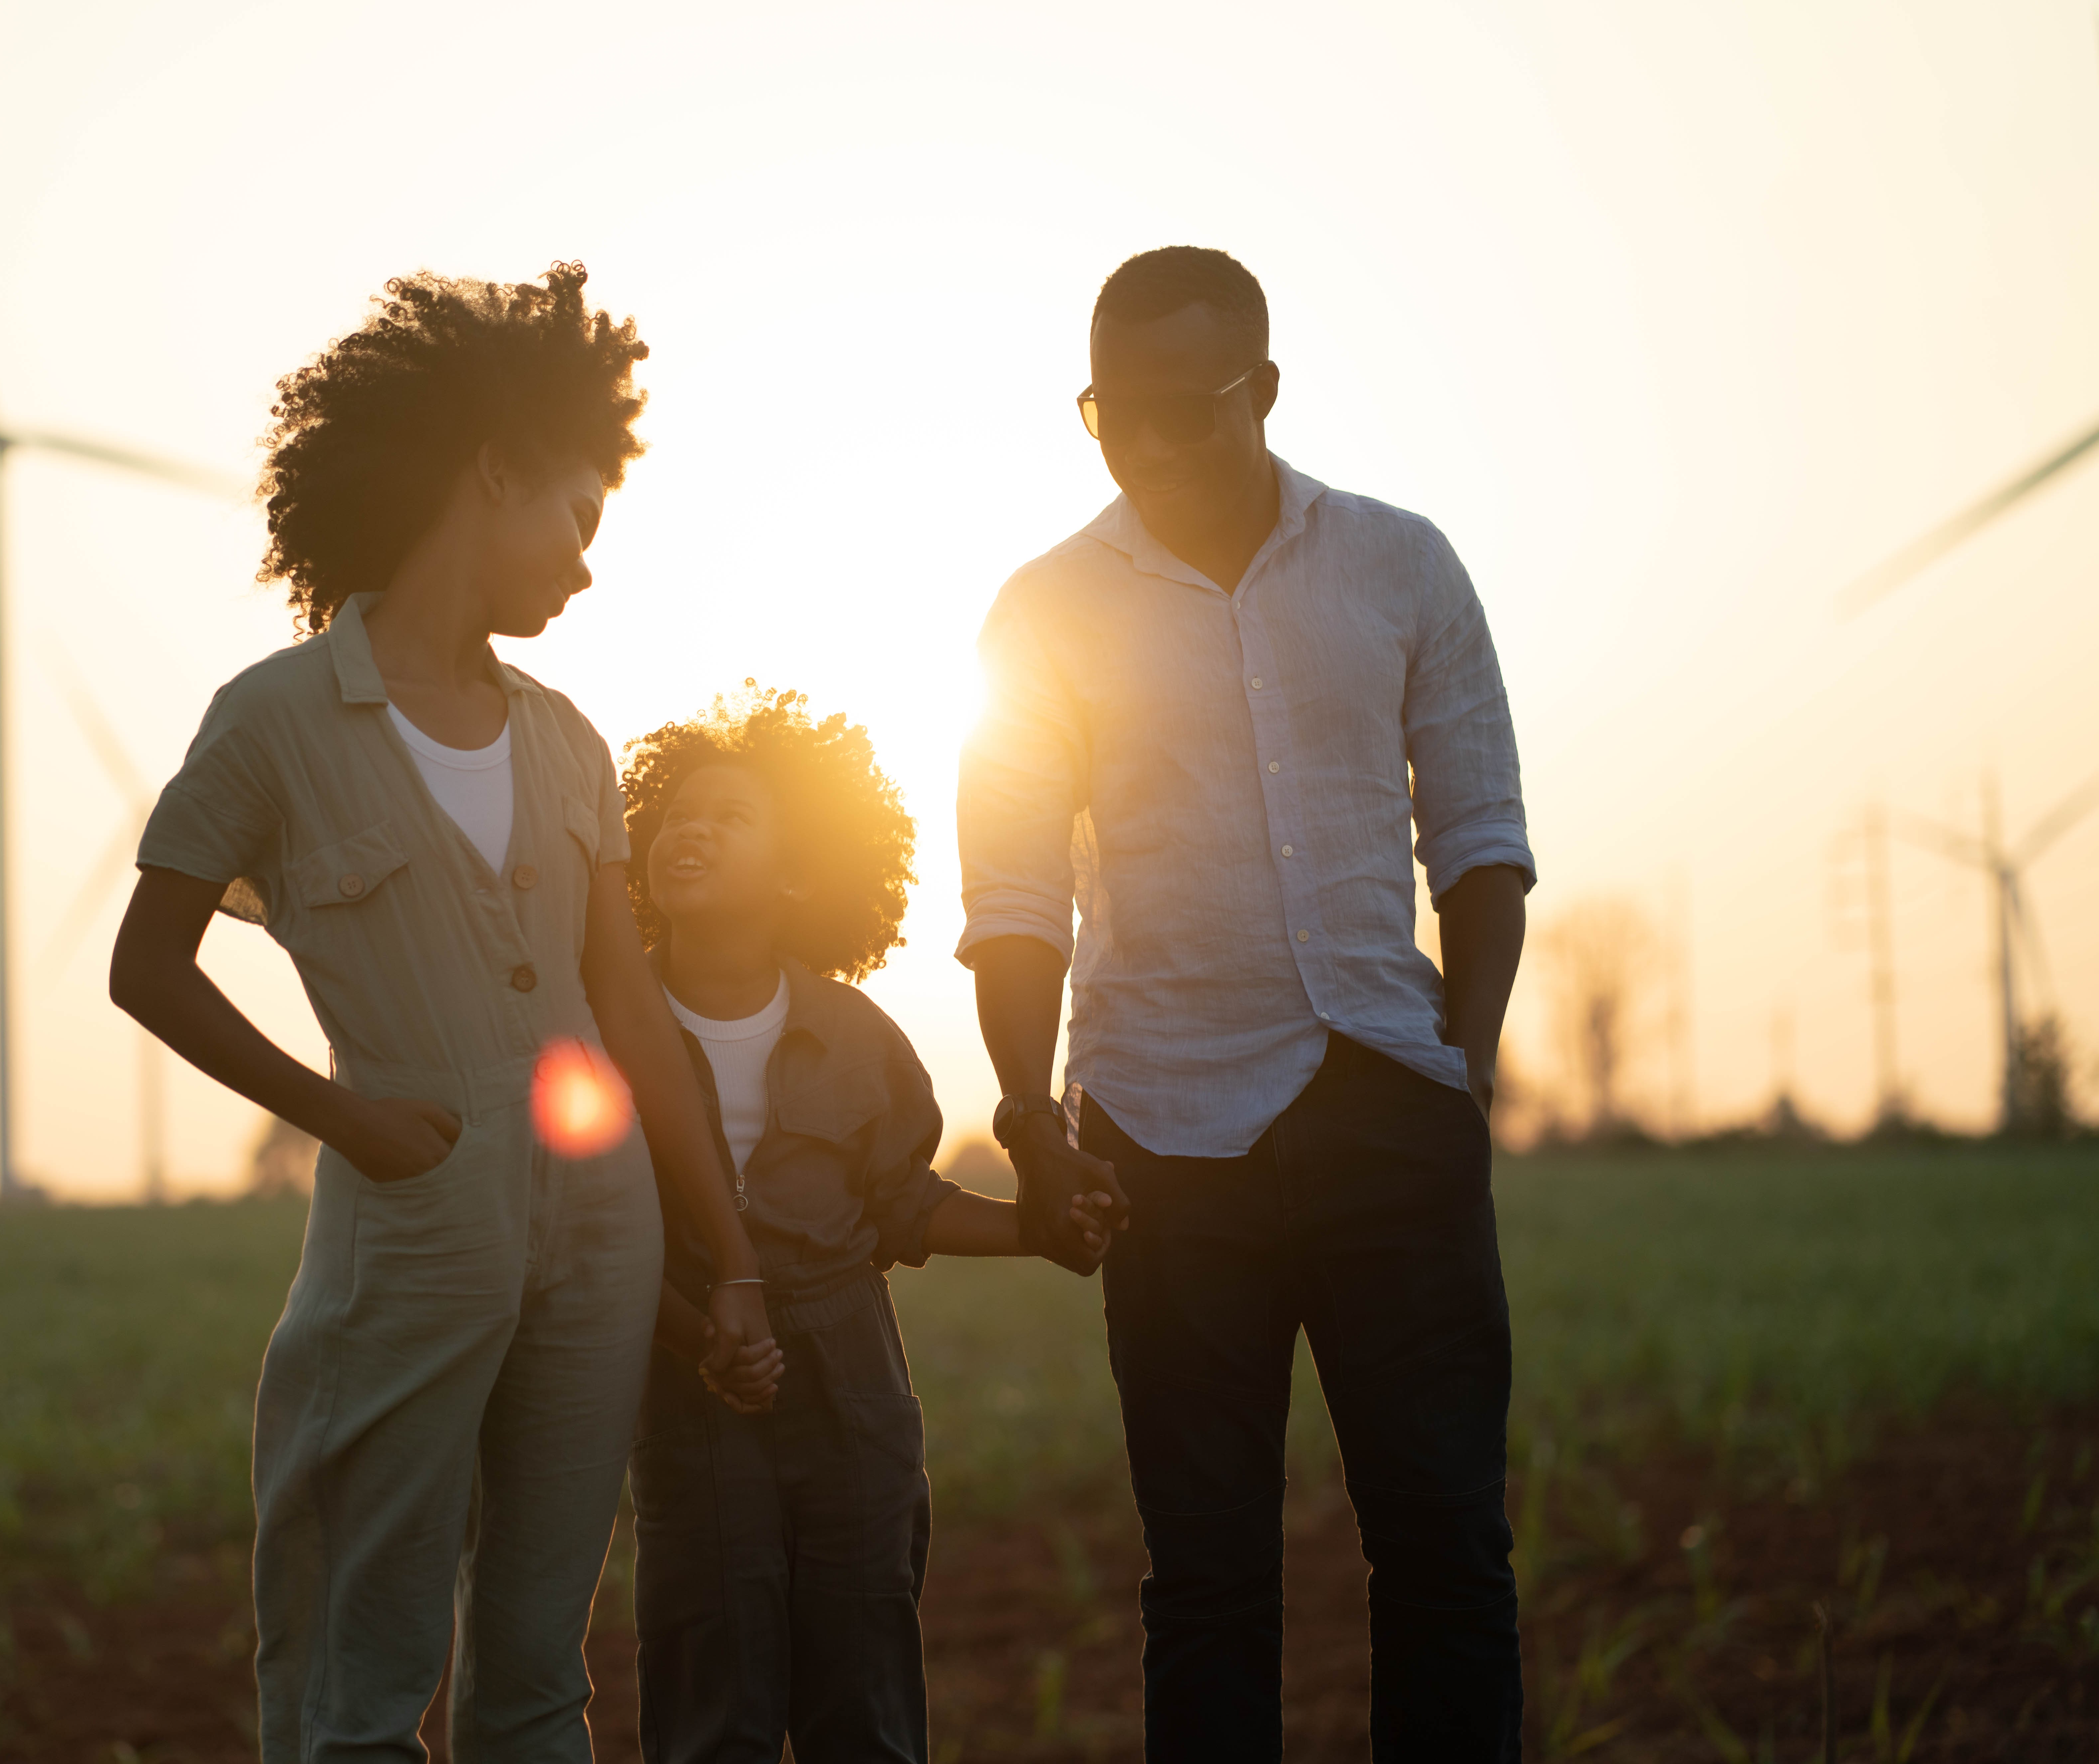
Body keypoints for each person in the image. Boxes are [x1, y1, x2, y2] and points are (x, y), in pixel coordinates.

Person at [108, 264, 774, 1764]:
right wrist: (344, 1118)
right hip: (406, 1225)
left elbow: (631, 1020)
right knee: (360, 1670)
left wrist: (723, 1260)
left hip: (603, 1238)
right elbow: (144, 968)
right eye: (577, 521)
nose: (587, 571)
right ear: (492, 472)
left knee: (540, 1673)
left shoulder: (569, 743)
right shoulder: (272, 721)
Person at [958, 246, 1535, 1760]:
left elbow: (1478, 844)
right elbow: (1013, 898)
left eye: (1183, 410)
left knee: (1446, 1562)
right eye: (1111, 414)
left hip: (1387, 1115)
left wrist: (1459, 1077)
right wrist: (1028, 1111)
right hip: (1159, 1136)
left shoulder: (1401, 566)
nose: (1143, 445)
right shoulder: (1040, 612)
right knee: (1205, 1587)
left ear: (1263, 391)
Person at [618, 686, 1107, 1764]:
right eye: (673, 814)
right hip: (689, 1376)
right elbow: (589, 1228)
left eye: (728, 817)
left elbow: (903, 1208)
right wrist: (701, 1337)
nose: (685, 830)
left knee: (865, 1700)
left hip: (852, 1380)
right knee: (711, 1699)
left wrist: (1043, 1227)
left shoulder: (858, 1040)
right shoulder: (605, 1028)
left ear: (800, 873)